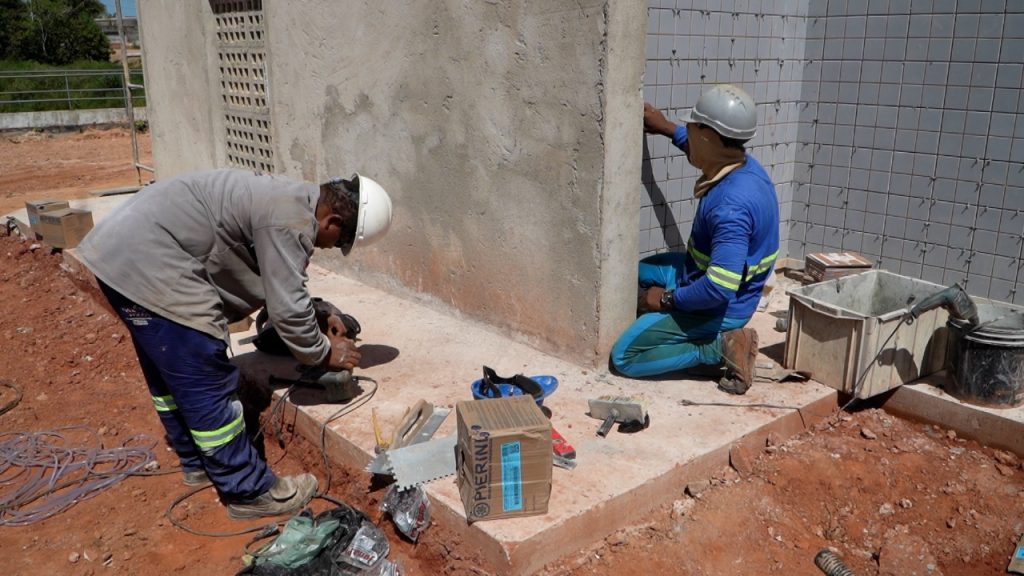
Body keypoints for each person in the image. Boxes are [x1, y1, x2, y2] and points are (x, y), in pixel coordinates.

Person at [75, 169, 393, 518]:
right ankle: (248, 490)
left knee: (171, 369)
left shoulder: (290, 200)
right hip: (151, 260)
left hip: (119, 253)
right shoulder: (290, 221)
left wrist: (317, 316)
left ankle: (196, 461)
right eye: (339, 242)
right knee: (204, 373)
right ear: (333, 221)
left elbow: (277, 280)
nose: (330, 248)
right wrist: (323, 352)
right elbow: (287, 310)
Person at [611, 84, 779, 395]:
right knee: (629, 275)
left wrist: (666, 299)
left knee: (625, 357)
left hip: (720, 306)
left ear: (708, 136)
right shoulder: (743, 165)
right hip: (703, 276)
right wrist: (666, 128)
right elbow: (703, 150)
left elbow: (719, 287)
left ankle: (719, 347)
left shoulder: (731, 207)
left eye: (692, 126)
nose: (687, 130)